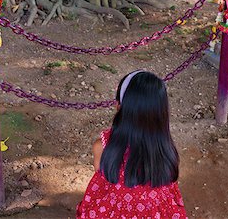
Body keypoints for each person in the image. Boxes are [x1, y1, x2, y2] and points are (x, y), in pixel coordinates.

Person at [76, 70, 187, 218]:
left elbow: (102, 178)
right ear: (161, 113)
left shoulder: (102, 146)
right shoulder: (166, 150)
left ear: (119, 106)